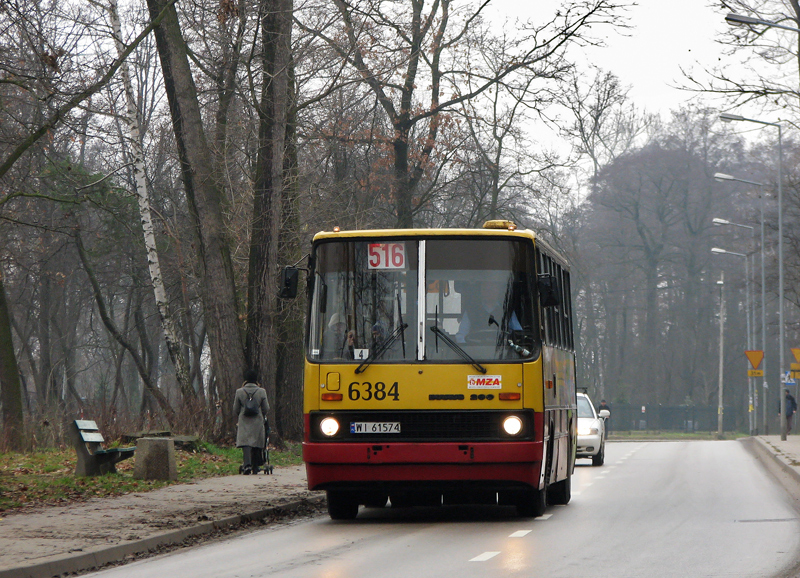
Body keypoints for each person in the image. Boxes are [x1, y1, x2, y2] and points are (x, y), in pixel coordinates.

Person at [456, 280, 521, 343]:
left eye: (492, 289)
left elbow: (518, 334)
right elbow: (461, 336)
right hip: (475, 352)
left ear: (498, 291)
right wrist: (468, 350)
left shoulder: (507, 311)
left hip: (502, 352)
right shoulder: (470, 311)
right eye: (486, 289)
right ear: (481, 291)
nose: (489, 292)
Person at [233, 369, 270, 474]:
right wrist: (261, 413)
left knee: (246, 443)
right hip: (257, 420)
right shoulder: (261, 391)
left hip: (244, 420)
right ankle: (256, 465)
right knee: (257, 442)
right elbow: (266, 408)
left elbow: (235, 409)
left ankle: (247, 464)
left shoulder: (239, 392)